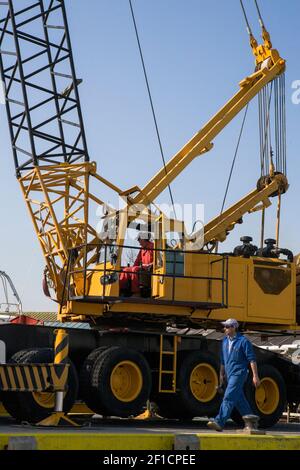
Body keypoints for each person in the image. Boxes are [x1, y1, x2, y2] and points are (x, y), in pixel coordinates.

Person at [207, 318, 261, 432]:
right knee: (239, 399)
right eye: (225, 326)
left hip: (239, 373)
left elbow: (252, 359)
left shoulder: (243, 341)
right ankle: (252, 422)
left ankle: (219, 421)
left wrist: (255, 376)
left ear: (234, 327)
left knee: (229, 396)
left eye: (227, 326)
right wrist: (221, 375)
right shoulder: (224, 342)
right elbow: (223, 360)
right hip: (229, 374)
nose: (225, 329)